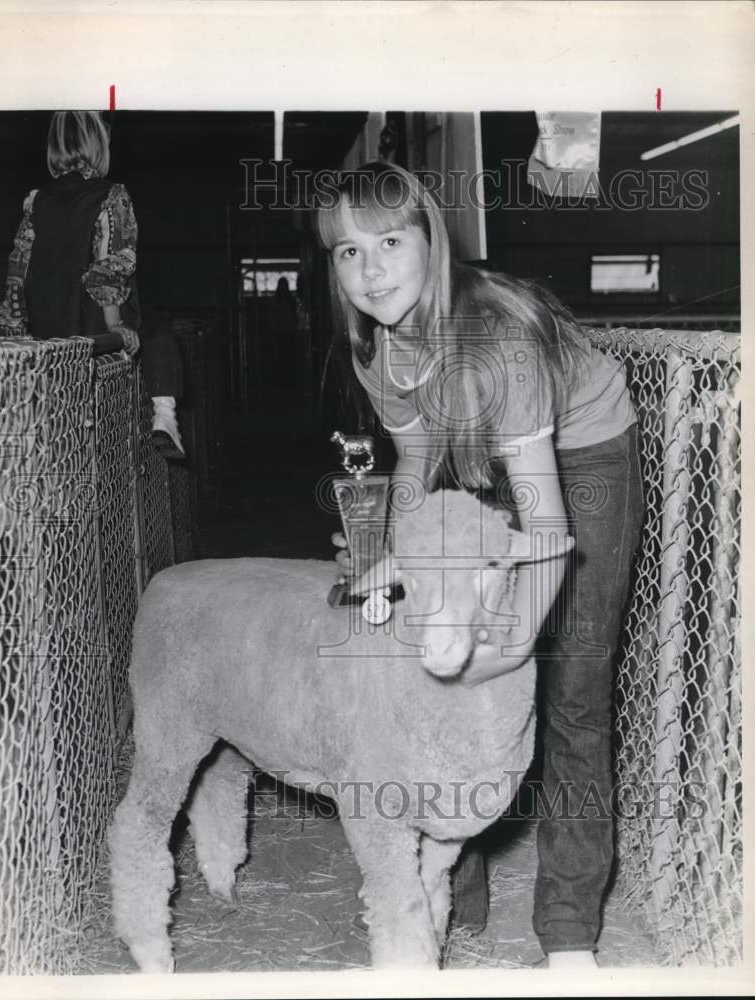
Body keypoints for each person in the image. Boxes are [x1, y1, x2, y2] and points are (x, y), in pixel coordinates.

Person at [316, 161, 643, 968]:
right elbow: (416, 458)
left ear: (434, 242)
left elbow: (546, 527)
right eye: (347, 252)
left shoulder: (493, 340)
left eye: (390, 241)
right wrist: (394, 563)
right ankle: (451, 892)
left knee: (568, 687)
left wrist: (504, 648)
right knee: (443, 655)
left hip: (581, 457)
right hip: (479, 441)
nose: (370, 269)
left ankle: (567, 933)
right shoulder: (375, 348)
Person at [0, 110, 184, 459]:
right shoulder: (111, 195)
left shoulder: (36, 201)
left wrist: (15, 329)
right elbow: (109, 264)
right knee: (159, 328)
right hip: (95, 323)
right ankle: (165, 416)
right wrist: (115, 324)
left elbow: (17, 268)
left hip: (48, 327)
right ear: (98, 145)